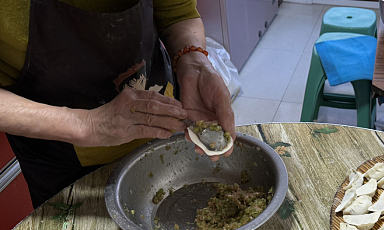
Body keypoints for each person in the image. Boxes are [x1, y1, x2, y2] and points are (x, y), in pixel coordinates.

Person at [0, 0, 235, 207]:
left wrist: (194, 63)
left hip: (166, 129)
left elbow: (177, 12)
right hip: (65, 162)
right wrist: (87, 124)